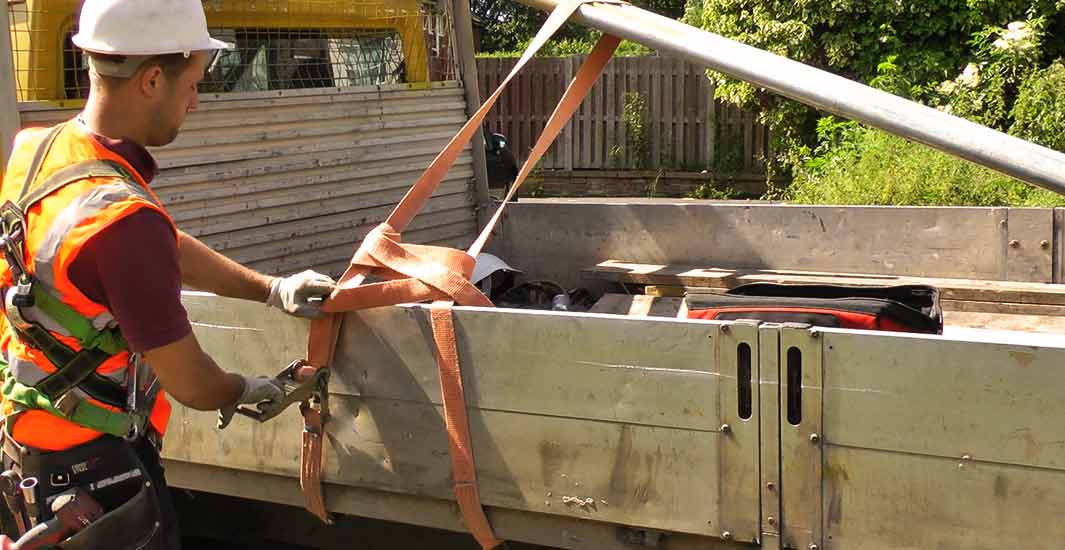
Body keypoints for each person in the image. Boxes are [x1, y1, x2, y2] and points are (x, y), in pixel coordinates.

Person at [0, 0, 336, 547]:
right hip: (96, 471)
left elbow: (162, 248)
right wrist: (246, 388)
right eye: (194, 83)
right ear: (153, 78)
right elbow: (192, 383)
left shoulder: (40, 151)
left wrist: (270, 290)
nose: (195, 102)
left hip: (29, 448)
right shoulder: (121, 222)